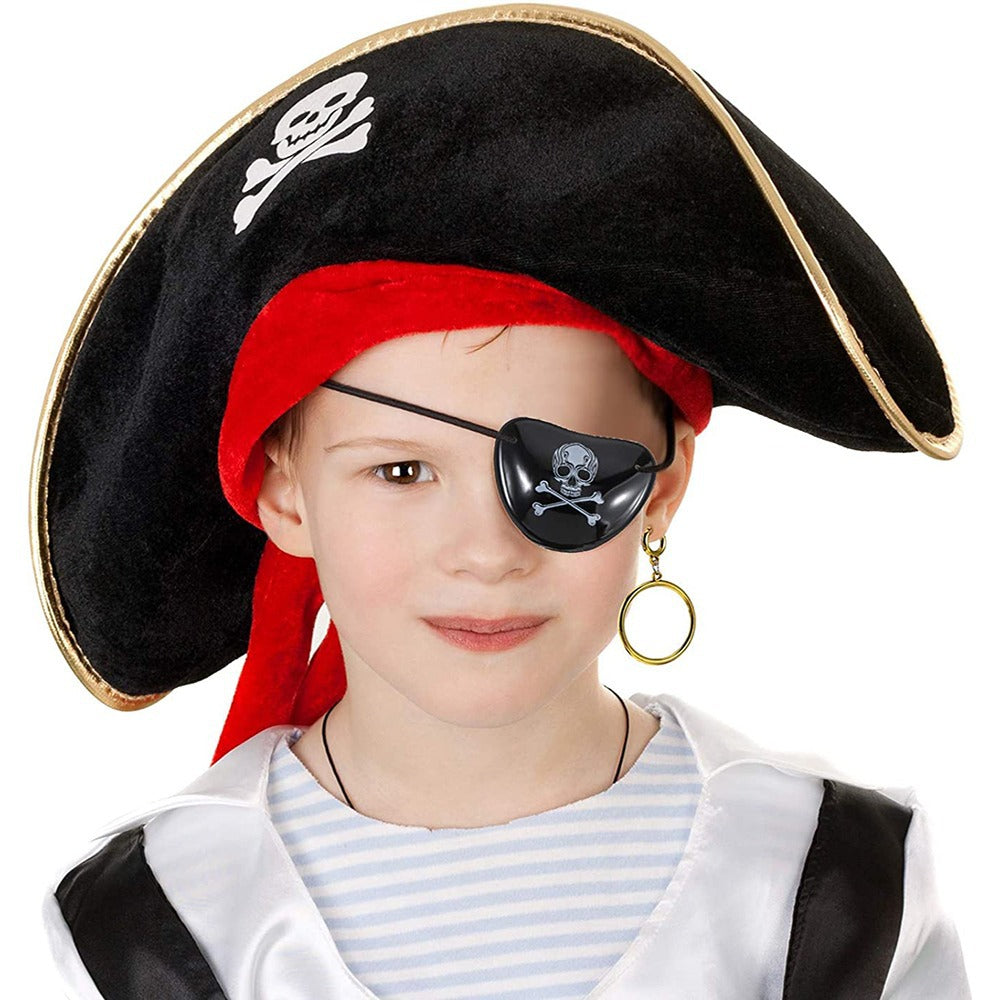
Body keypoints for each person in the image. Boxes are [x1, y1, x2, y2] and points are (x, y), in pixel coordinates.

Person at [34, 5, 971, 998]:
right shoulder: (157, 925)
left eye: (565, 467)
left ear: (662, 485)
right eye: (402, 472)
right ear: (285, 492)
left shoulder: (823, 883)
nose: (487, 552)